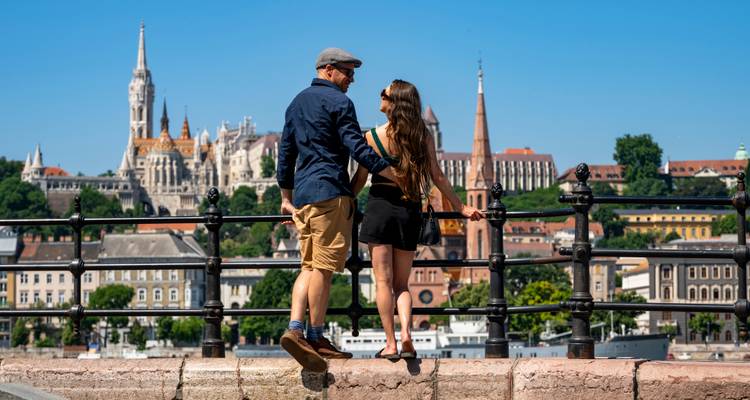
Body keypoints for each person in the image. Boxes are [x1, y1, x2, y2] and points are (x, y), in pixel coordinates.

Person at [277, 48, 401, 372]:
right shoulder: (340, 103)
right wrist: (386, 170)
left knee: (307, 265)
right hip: (330, 192)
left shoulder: (295, 102)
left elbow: (286, 153)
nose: (352, 79)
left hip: (303, 196)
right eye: (348, 72)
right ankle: (316, 336)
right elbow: (355, 145)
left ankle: (294, 328)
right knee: (323, 268)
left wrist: (285, 196)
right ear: (329, 69)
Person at [352, 80, 483, 360]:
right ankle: (408, 336)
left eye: (383, 93)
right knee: (402, 284)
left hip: (378, 208)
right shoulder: (422, 135)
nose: (380, 96)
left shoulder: (372, 137)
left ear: (393, 101)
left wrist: (341, 202)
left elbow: (360, 180)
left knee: (382, 282)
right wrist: (460, 207)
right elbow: (437, 176)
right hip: (408, 210)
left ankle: (390, 343)